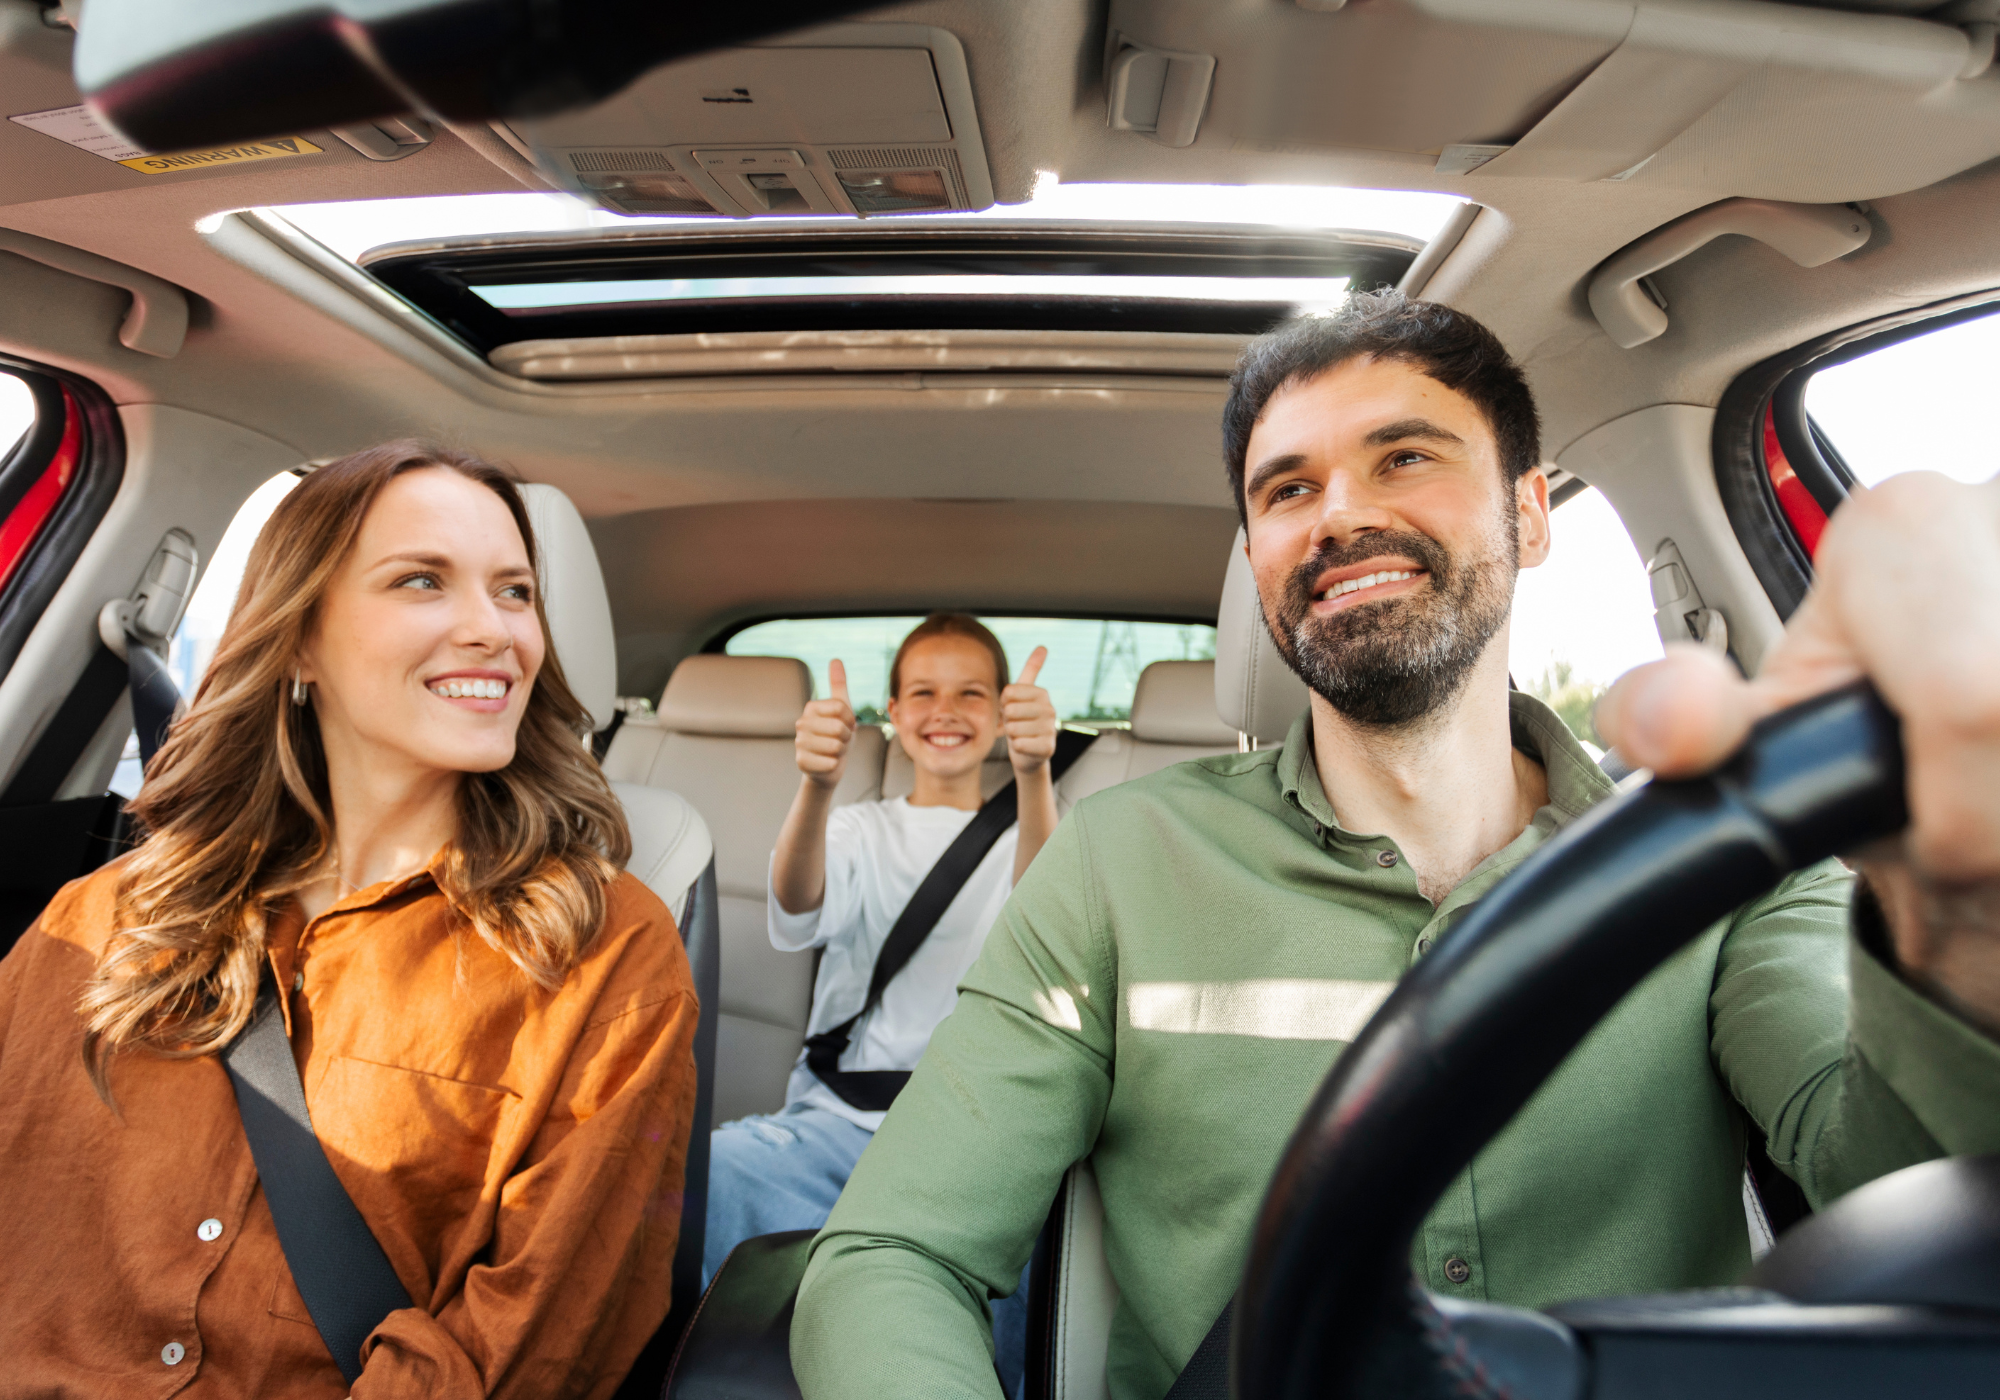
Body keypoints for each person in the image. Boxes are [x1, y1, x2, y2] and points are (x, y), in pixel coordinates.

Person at [789, 292, 2000, 1400]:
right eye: (1285, 489)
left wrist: (1961, 932)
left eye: (1404, 456)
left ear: (1527, 513)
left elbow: (1904, 1188)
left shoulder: (1729, 864)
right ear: (1256, 561)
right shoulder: (1115, 861)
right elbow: (894, 1252)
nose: (1340, 514)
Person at [0, 442, 699, 1397]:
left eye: (515, 592)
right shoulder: (109, 914)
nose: (493, 629)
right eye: (422, 580)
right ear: (298, 639)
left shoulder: (600, 952)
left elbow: (536, 1343)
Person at [704, 614, 1060, 1392]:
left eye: (972, 693)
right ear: (892, 713)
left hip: (969, 1144)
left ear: (1005, 712)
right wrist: (816, 786)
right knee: (714, 1171)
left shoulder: (1037, 836)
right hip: (831, 1127)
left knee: (1040, 1247)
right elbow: (796, 903)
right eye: (922, 693)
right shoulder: (859, 829)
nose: (945, 711)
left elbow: (1040, 918)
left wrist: (1035, 776)